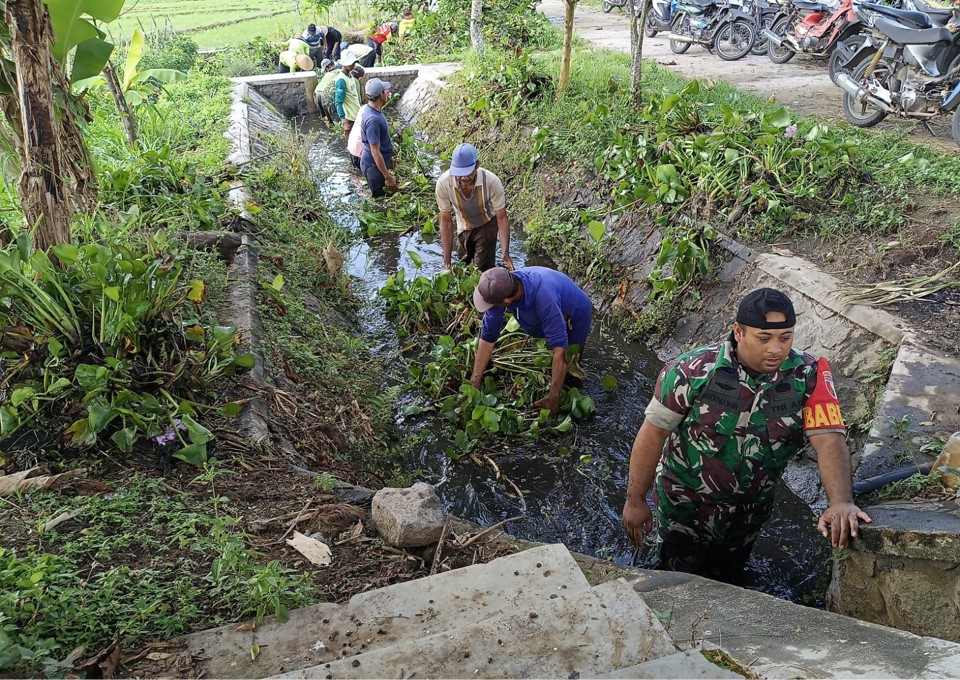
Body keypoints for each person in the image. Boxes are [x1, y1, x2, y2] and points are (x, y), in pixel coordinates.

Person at [621, 288, 872, 585]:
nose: (776, 349)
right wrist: (635, 500)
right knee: (671, 581)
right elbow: (653, 434)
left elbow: (829, 439)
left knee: (729, 582)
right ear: (738, 332)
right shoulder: (691, 371)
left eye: (785, 338)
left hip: (747, 518)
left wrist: (841, 502)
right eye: (764, 339)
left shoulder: (809, 376)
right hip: (684, 511)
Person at [471, 266, 593, 418]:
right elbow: (487, 337)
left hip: (577, 312)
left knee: (570, 364)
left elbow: (560, 351)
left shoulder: (544, 297)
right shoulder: (504, 286)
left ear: (507, 301)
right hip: (551, 306)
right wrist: (475, 382)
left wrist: (553, 398)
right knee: (548, 333)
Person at [436, 143, 512, 273]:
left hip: (487, 225)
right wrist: (447, 262)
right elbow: (446, 222)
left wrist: (505, 253)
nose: (464, 178)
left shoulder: (491, 181)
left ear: (477, 165)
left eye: (467, 172)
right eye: (459, 174)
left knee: (481, 270)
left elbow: (502, 217)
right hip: (463, 227)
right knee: (464, 268)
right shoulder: (444, 183)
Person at [360, 79, 397, 198]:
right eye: (386, 91)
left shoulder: (374, 110)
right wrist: (388, 177)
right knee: (381, 200)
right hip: (373, 168)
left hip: (376, 165)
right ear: (381, 94)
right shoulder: (373, 120)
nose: (388, 92)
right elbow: (375, 151)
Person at [334, 54, 363, 142]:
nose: (353, 65)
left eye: (354, 63)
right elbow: (338, 102)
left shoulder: (350, 76)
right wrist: (344, 120)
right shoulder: (341, 80)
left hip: (356, 114)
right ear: (344, 64)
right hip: (349, 118)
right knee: (353, 142)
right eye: (351, 64)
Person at [315, 58, 339, 123]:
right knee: (333, 118)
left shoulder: (328, 74)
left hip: (317, 93)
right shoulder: (339, 71)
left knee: (325, 116)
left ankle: (326, 126)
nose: (326, 71)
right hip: (326, 94)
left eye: (326, 70)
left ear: (329, 67)